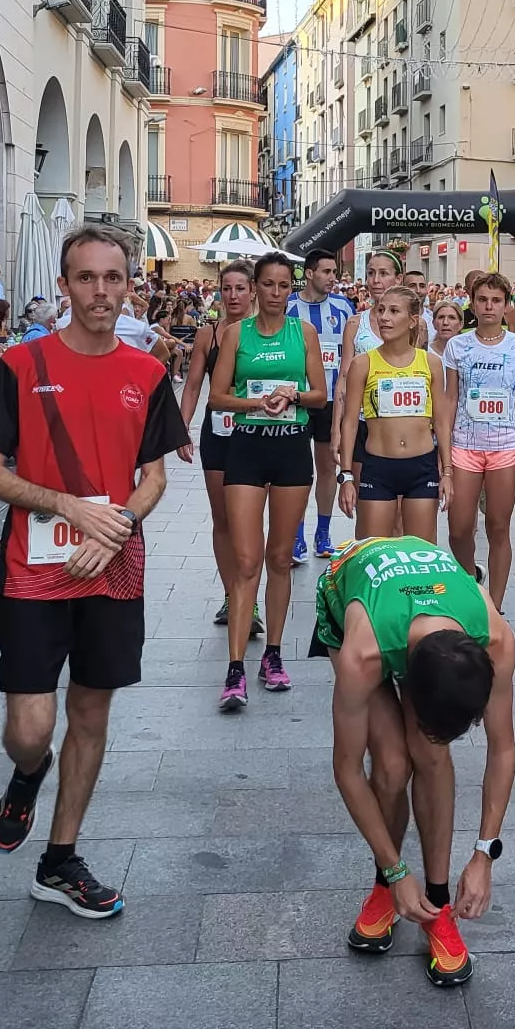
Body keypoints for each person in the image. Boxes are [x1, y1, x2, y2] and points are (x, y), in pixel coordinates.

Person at [0, 224, 186, 926]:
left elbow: (154, 477)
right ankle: (29, 773)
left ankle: (60, 859)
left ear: (130, 285)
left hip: (114, 567)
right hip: (34, 567)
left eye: (112, 278)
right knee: (31, 726)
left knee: (91, 712)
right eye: (86, 278)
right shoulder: (21, 364)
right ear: (64, 286)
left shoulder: (149, 373)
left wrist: (117, 522)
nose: (100, 291)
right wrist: (66, 507)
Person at [317, 536, 515, 986]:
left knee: (430, 755)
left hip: (425, 591)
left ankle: (438, 902)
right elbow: (347, 770)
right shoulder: (362, 654)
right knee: (390, 764)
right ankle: (385, 886)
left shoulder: (497, 638)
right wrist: (396, 869)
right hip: (352, 583)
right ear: (409, 685)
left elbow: (503, 747)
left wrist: (484, 855)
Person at [214, 253, 327, 707]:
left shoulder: (305, 332)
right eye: (268, 285)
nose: (276, 293)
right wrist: (257, 403)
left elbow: (320, 395)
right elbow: (218, 398)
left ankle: (274, 655)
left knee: (280, 559)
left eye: (284, 285)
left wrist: (293, 394)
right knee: (246, 562)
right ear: (255, 287)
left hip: (291, 450)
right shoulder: (235, 334)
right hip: (246, 448)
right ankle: (235, 667)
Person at [442, 272, 515, 609]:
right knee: (458, 529)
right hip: (464, 444)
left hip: (507, 445)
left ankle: (494, 607)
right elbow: (450, 398)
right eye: (482, 300)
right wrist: (444, 449)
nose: (489, 306)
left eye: (496, 300)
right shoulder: (458, 346)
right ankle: (470, 580)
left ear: (506, 305)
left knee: (499, 526)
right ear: (472, 302)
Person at [180, 261, 261, 643]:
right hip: (219, 431)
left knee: (251, 519)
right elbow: (193, 385)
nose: (233, 296)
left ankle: (251, 599)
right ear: (219, 292)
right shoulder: (206, 335)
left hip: (260, 433)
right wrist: (181, 428)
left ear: (252, 292)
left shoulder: (266, 334)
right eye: (226, 288)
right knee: (223, 519)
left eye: (240, 288)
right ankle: (233, 595)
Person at [338, 286, 450, 545]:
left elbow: (442, 423)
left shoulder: (431, 363)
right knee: (376, 553)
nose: (384, 317)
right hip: (378, 467)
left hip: (422, 467)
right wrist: (346, 475)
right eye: (381, 310)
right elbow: (350, 423)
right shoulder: (362, 364)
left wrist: (447, 472)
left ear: (412, 321)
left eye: (394, 311)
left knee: (419, 556)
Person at [289, 250, 358, 561]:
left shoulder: (344, 307)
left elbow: (351, 355)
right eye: (327, 271)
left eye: (335, 272)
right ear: (309, 273)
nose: (333, 278)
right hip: (299, 399)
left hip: (333, 401)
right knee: (300, 469)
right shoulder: (289, 306)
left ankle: (323, 532)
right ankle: (297, 534)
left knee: (328, 466)